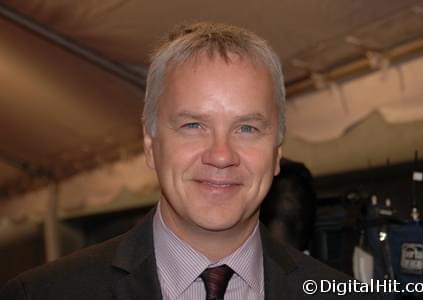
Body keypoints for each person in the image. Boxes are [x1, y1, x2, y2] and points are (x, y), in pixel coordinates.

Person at [1, 22, 379, 299]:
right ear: (150, 145)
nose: (221, 155)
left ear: (277, 153)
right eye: (194, 124)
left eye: (247, 128)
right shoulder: (43, 295)